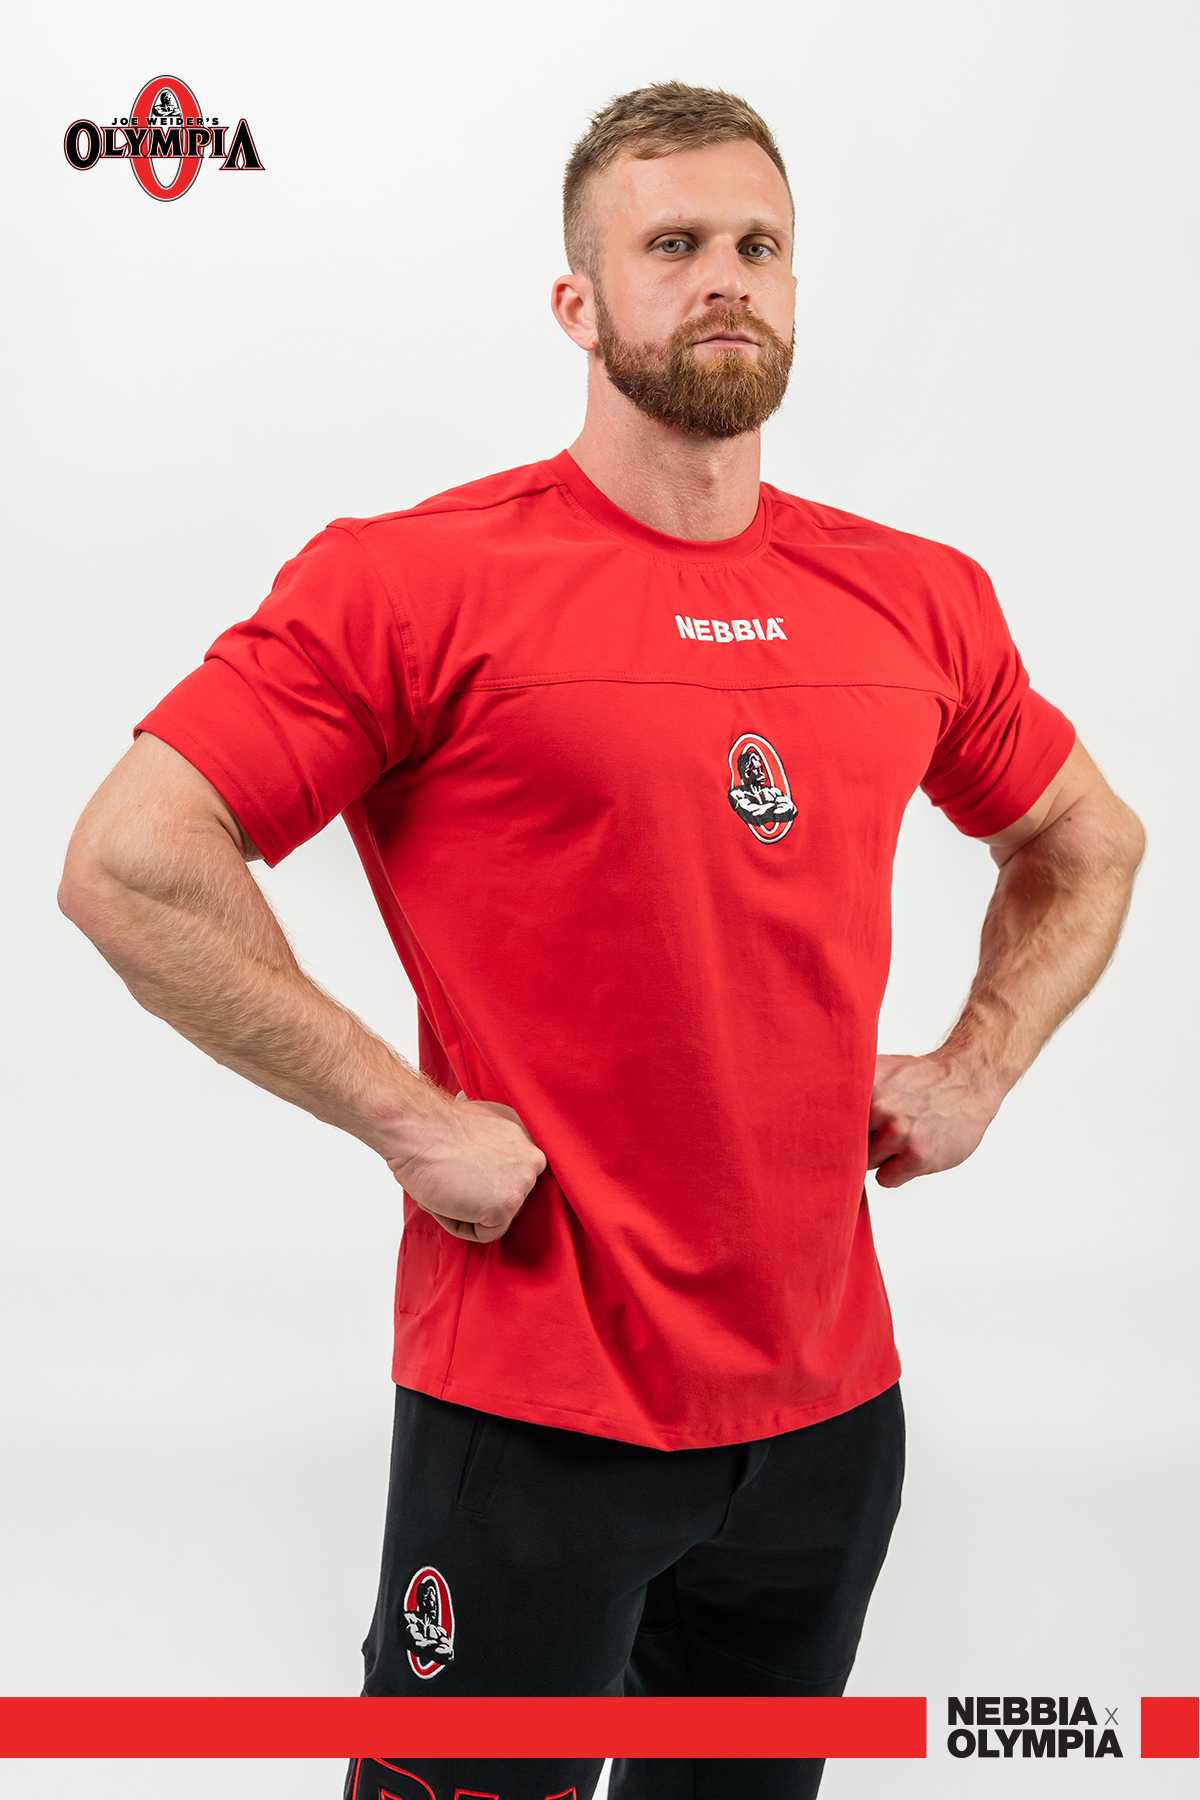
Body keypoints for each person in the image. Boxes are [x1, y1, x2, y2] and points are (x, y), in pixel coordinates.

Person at [57, 79, 1145, 1800]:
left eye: (758, 246)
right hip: (536, 1416)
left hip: (828, 1424)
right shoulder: (412, 582)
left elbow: (1087, 839)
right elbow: (131, 859)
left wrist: (980, 1065)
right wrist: (409, 1121)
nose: (725, 277)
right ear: (577, 302)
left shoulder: (914, 596)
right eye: (674, 244)